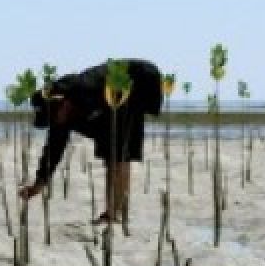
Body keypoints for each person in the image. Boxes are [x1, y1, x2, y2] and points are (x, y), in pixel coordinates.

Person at [18, 58, 163, 224]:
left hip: (139, 82)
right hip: (107, 104)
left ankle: (114, 214)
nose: (56, 122)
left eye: (54, 117)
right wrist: (38, 184)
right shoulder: (62, 114)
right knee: (111, 155)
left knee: (119, 155)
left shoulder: (83, 88)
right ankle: (112, 212)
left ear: (62, 103)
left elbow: (121, 152)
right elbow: (53, 148)